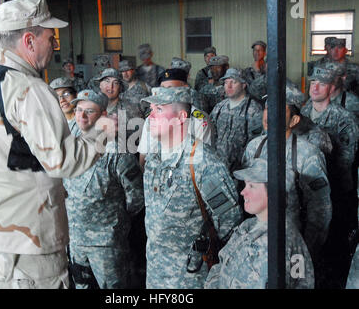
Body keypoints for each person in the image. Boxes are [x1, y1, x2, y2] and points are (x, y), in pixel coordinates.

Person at [0, 0, 113, 289]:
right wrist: (102, 133)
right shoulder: (29, 89)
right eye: (50, 38)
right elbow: (63, 161)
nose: (54, 47)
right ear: (29, 40)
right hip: (31, 238)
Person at [142, 86, 243, 288]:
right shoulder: (154, 157)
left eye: (159, 110)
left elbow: (229, 223)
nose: (150, 116)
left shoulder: (205, 163)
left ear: (181, 117)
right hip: (155, 270)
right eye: (151, 109)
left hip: (190, 276)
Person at [242, 86, 332, 266]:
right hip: (254, 243)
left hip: (290, 244)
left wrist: (306, 253)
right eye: (267, 108)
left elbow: (320, 210)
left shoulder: (308, 154)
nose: (269, 115)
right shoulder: (254, 147)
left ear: (294, 120)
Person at [63, 89, 144, 289]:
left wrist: (114, 223)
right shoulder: (69, 146)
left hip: (107, 245)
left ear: (103, 116)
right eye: (79, 110)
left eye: (89, 111)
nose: (81, 116)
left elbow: (136, 199)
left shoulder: (117, 152)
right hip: (75, 240)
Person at [204, 158, 315, 289]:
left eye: (252, 186)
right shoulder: (247, 226)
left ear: (273, 194)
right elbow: (221, 265)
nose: (243, 192)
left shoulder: (284, 241)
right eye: (245, 185)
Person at [301, 65, 358, 288]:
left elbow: (345, 161)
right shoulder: (301, 114)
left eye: (322, 84)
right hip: (306, 190)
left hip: (335, 192)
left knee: (332, 245)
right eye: (313, 83)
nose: (315, 88)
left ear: (332, 87)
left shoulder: (344, 119)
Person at [137, 68, 215, 169]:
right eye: (162, 88)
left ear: (185, 88)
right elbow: (144, 155)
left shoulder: (199, 120)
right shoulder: (151, 119)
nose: (164, 93)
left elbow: (203, 160)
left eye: (170, 88)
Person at [210, 68, 263, 173]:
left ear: (244, 85)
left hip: (242, 170)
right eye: (226, 82)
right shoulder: (219, 108)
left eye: (233, 82)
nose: (228, 86)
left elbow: (258, 143)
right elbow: (210, 134)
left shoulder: (253, 109)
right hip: (218, 168)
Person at [93, 68, 144, 152]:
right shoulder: (91, 109)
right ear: (100, 85)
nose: (110, 86)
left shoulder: (132, 110)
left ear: (120, 88)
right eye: (107, 81)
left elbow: (139, 143)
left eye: (115, 83)